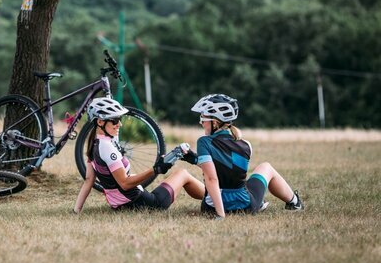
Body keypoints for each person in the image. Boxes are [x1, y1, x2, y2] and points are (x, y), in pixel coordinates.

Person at [74, 97, 204, 213]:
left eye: (120, 119)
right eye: (115, 120)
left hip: (123, 205)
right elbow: (124, 183)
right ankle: (213, 199)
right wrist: (155, 169)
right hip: (145, 204)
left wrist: (76, 210)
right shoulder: (107, 148)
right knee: (183, 174)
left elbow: (89, 180)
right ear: (100, 122)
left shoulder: (94, 144)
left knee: (178, 176)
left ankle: (212, 197)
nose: (119, 124)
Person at [188, 93, 304, 219]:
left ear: (215, 123)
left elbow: (213, 177)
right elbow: (227, 169)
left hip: (211, 208)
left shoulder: (204, 142)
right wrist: (195, 159)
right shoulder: (246, 145)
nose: (201, 122)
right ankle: (294, 202)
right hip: (246, 206)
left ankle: (263, 202)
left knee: (242, 183)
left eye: (203, 118)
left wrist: (220, 214)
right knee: (266, 167)